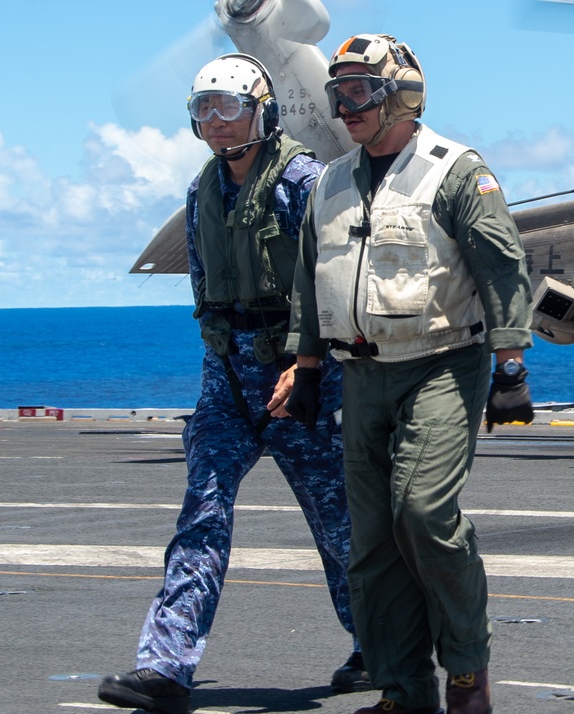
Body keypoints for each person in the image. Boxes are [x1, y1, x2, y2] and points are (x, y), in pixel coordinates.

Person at [98, 53, 368, 714]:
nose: (215, 123)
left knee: (338, 526)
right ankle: (165, 666)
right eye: (202, 111)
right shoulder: (202, 193)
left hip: (301, 378)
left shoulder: (306, 182)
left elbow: (329, 281)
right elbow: (206, 292)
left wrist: (304, 370)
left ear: (261, 110)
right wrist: (221, 368)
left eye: (227, 108)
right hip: (226, 380)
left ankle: (382, 648)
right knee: (202, 513)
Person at [284, 34, 535, 714]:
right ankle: (403, 691)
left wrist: (511, 363)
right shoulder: (330, 181)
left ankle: (466, 670)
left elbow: (501, 266)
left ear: (403, 94)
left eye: (361, 90)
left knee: (422, 512)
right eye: (339, 93)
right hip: (359, 375)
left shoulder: (455, 171)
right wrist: (305, 366)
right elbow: (311, 281)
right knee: (370, 545)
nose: (346, 106)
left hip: (443, 362)